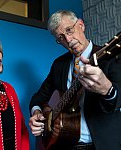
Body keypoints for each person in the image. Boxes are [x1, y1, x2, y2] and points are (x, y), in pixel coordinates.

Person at [29, 10, 121, 150]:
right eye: (61, 37)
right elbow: (37, 98)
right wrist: (37, 114)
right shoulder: (59, 65)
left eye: (69, 30)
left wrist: (107, 90)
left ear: (81, 25)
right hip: (66, 144)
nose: (68, 40)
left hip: (103, 144)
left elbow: (119, 96)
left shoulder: (110, 58)